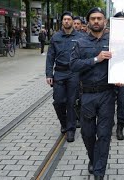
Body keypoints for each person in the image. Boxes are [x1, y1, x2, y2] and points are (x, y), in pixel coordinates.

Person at [70, 7, 114, 180]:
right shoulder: (80, 43)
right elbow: (73, 65)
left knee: (104, 134)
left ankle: (99, 172)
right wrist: (96, 59)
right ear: (88, 22)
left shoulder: (114, 42)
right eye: (93, 18)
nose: (96, 21)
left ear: (105, 21)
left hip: (107, 94)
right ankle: (93, 158)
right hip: (86, 94)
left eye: (100, 18)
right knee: (88, 134)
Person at [46, 11, 83, 142]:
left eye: (69, 19)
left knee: (71, 102)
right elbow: (50, 57)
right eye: (64, 19)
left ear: (72, 21)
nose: (67, 21)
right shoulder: (55, 37)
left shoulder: (80, 37)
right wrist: (49, 74)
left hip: (74, 73)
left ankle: (71, 129)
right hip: (60, 73)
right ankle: (64, 123)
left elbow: (84, 56)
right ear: (62, 21)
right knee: (58, 101)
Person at [109, 11, 124, 140]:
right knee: (109, 101)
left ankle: (120, 127)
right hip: (109, 76)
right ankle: (109, 121)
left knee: (123, 102)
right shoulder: (107, 36)